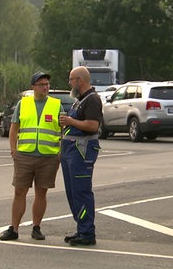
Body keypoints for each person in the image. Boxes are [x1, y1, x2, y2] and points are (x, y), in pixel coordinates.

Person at [0, 71, 63, 241]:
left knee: (41, 192)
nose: (46, 87)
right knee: (20, 191)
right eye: (42, 84)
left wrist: (60, 152)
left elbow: (64, 129)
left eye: (47, 84)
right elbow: (13, 129)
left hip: (48, 157)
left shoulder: (56, 105)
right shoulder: (23, 103)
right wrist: (14, 150)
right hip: (25, 155)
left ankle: (36, 227)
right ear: (33, 87)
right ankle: (14, 228)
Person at [59, 66, 102, 246]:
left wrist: (70, 121)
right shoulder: (80, 100)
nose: (70, 83)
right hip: (70, 151)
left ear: (80, 80)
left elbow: (92, 125)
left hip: (81, 152)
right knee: (72, 193)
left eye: (71, 80)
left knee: (81, 192)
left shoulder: (92, 100)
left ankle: (87, 232)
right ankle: (81, 228)